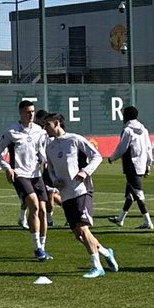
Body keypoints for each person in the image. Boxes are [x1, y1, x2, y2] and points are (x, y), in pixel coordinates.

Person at [41, 112, 119, 278]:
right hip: (66, 194)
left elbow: (97, 156)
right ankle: (106, 252)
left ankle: (97, 266)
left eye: (47, 124)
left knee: (83, 229)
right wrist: (54, 180)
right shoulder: (50, 147)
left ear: (56, 123)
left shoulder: (75, 139)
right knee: (78, 234)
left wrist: (85, 171)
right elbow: (50, 170)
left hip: (81, 190)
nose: (44, 128)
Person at [0, 98, 52, 261]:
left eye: (33, 111)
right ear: (21, 113)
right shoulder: (12, 131)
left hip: (36, 175)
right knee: (33, 204)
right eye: (28, 112)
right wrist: (8, 168)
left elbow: (40, 151)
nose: (31, 114)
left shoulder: (39, 130)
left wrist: (45, 161)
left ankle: (43, 247)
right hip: (20, 174)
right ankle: (37, 248)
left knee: (43, 210)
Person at [107, 106, 154, 230]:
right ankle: (120, 219)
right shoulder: (144, 129)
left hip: (131, 164)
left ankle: (148, 221)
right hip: (141, 163)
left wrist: (112, 158)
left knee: (138, 193)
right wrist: (148, 164)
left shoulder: (127, 130)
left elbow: (122, 147)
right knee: (131, 193)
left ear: (127, 116)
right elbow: (148, 148)